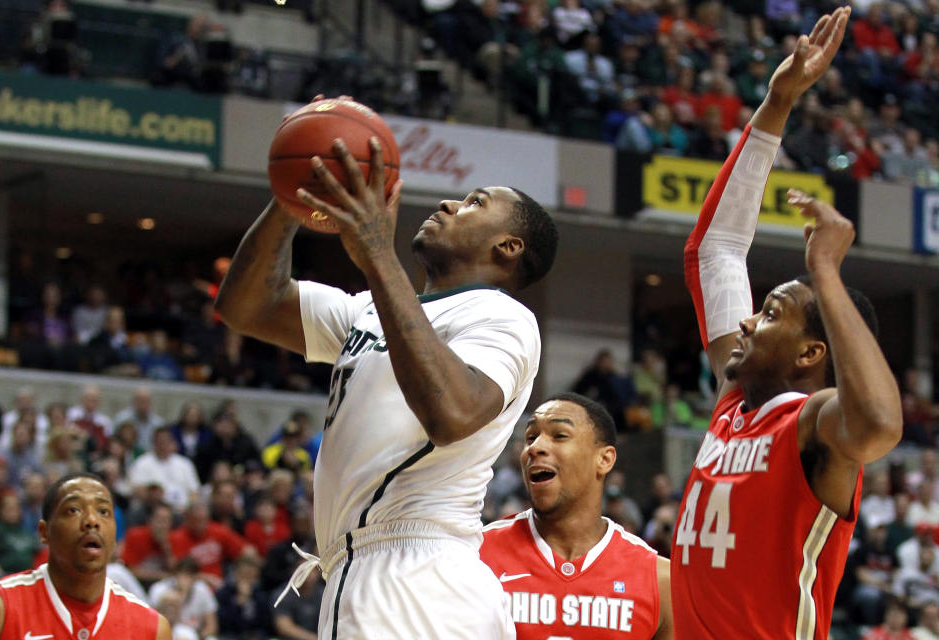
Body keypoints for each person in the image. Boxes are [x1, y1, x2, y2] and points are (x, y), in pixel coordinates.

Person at [215, 96, 558, 638]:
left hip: (410, 576)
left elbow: (452, 413)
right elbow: (245, 306)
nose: (448, 204)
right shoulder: (372, 308)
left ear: (508, 246)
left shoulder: (502, 316)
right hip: (392, 577)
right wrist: (297, 190)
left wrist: (378, 252)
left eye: (474, 202)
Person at [673, 7, 903, 639]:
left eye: (771, 313)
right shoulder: (732, 404)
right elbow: (715, 250)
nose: (747, 323)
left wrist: (824, 273)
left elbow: (882, 423)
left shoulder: (814, 422)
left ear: (810, 353)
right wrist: (777, 103)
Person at [480, 393, 673, 638]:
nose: (535, 447)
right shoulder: (476, 555)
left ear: (604, 459)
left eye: (559, 435)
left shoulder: (659, 580)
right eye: (530, 437)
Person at [0, 472, 170, 640]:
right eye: (74, 510)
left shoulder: (151, 629)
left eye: (103, 511)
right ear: (44, 532)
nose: (92, 521)